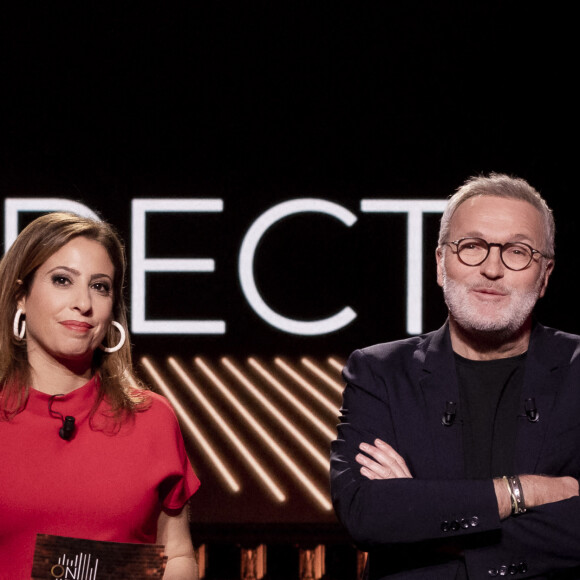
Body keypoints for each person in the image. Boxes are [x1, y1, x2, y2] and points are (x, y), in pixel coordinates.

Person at [330, 173, 580, 579]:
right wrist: (524, 491)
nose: (492, 268)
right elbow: (368, 514)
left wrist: (426, 515)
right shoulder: (379, 372)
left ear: (545, 275)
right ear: (441, 264)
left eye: (517, 251)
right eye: (472, 247)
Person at [0, 212, 200, 578]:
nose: (83, 303)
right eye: (62, 280)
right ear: (20, 297)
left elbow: (176, 555)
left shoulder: (151, 419)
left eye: (100, 286)